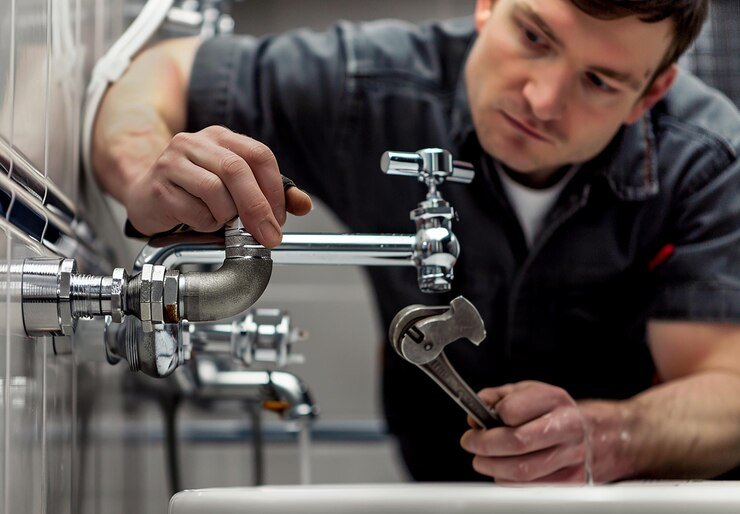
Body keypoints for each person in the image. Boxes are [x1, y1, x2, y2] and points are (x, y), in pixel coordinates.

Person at [91, 0, 740, 483]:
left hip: (636, 499)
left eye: (599, 81)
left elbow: (727, 388)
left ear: (650, 92)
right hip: (436, 484)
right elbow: (161, 71)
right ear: (489, 5)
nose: (542, 100)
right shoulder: (370, 87)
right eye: (534, 37)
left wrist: (609, 435)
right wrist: (142, 170)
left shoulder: (707, 160)